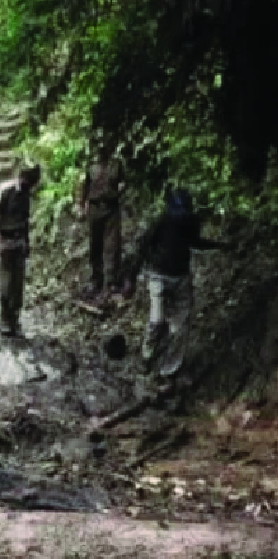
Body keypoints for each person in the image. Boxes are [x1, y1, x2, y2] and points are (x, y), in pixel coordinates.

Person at [135, 187, 234, 389]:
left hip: (180, 277)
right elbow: (144, 243)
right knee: (157, 320)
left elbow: (195, 242)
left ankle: (168, 370)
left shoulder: (188, 222)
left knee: (180, 326)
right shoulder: (163, 221)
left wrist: (218, 246)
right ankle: (147, 356)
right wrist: (147, 264)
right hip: (159, 276)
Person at [0, 164, 40, 337]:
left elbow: (25, 219)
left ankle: (15, 319)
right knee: (5, 283)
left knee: (18, 283)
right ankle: (5, 320)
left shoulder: (26, 194)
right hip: (5, 240)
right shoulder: (6, 190)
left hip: (19, 240)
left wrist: (27, 242)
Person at [80, 147, 126, 299]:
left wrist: (118, 193)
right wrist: (81, 205)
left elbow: (123, 182)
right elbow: (84, 186)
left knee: (112, 246)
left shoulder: (116, 165)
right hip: (94, 209)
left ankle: (111, 282)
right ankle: (96, 279)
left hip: (111, 208)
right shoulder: (91, 165)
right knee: (95, 245)